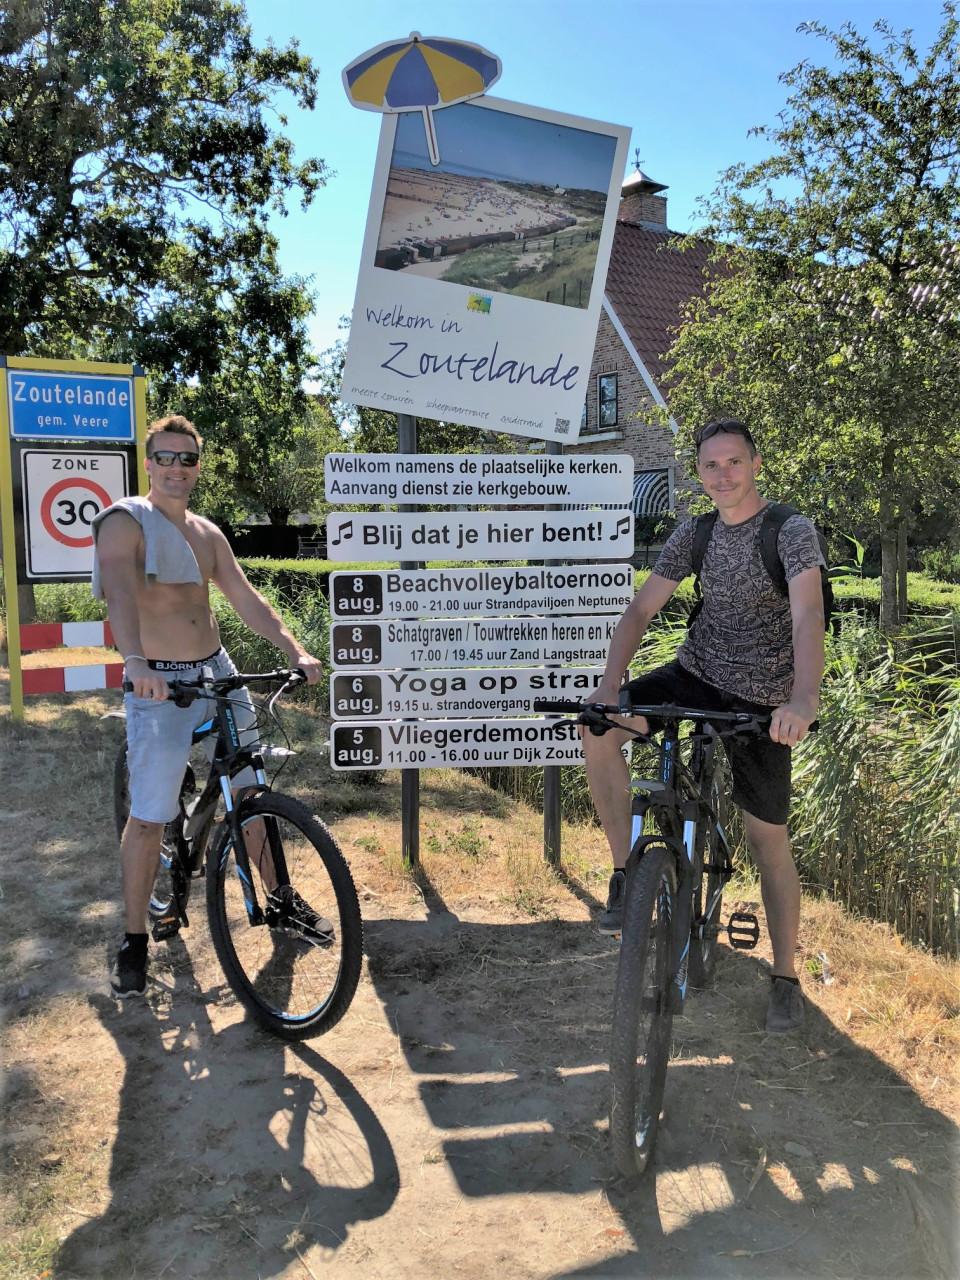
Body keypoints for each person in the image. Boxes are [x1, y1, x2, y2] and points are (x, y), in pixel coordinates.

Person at [583, 418, 825, 1033]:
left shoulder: (789, 531)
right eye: (711, 465)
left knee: (767, 839)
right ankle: (625, 871)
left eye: (734, 463)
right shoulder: (695, 533)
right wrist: (610, 685)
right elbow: (642, 607)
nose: (723, 474)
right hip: (695, 672)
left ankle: (784, 976)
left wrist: (801, 700)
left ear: (756, 464)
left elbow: (807, 615)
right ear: (699, 473)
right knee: (599, 727)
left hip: (763, 700)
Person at [93, 414, 322, 997]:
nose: (175, 468)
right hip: (158, 682)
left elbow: (244, 596)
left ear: (198, 466)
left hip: (215, 669)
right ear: (147, 462)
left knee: (251, 791)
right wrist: (136, 662)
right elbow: (120, 591)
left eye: (186, 459)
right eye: (165, 457)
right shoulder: (126, 523)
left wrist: (293, 646)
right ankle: (135, 938)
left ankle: (280, 898)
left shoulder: (206, 533)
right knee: (148, 816)